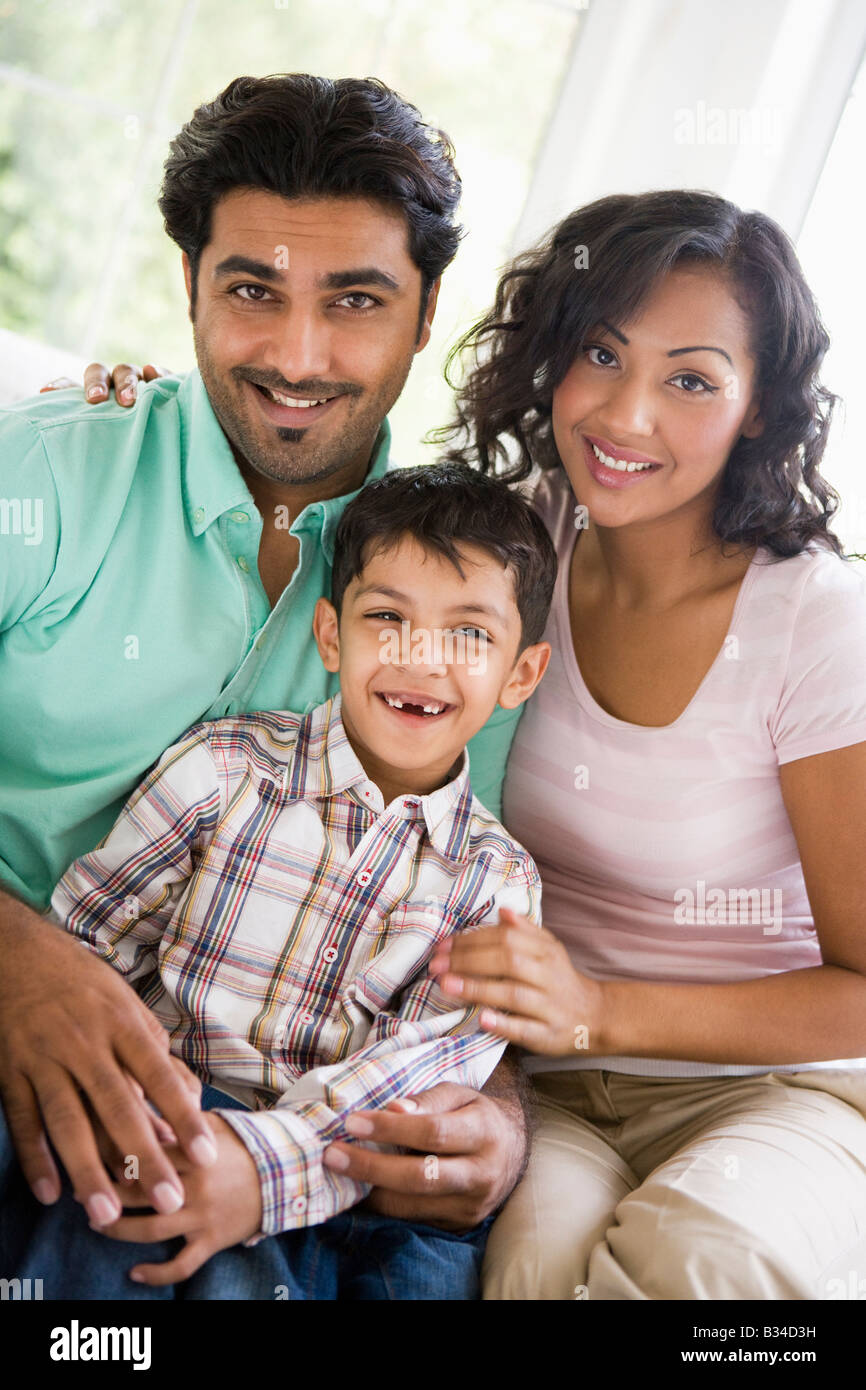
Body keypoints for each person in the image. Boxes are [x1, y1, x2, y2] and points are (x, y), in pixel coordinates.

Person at [0, 73, 534, 1292]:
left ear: (424, 310)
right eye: (251, 291)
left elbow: (463, 913)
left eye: (354, 301)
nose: (297, 358)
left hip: (262, 1127)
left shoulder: (465, 599)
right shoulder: (35, 479)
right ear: (188, 283)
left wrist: (498, 1128)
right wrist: (12, 959)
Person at [419, 188, 866, 1299]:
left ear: (758, 408)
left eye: (690, 379)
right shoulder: (510, 551)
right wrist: (129, 397)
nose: (624, 418)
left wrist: (600, 1005)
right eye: (601, 355)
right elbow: (346, 537)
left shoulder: (813, 623)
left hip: (782, 1087)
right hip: (555, 1085)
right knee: (528, 1273)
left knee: (692, 1263)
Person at [4, 464, 553, 1299]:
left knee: (428, 1273)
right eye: (387, 618)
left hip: (353, 1172)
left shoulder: (497, 884)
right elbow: (86, 955)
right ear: (330, 635)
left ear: (521, 673)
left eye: (470, 634)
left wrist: (261, 1173)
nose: (421, 659)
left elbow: (422, 1075)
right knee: (93, 1224)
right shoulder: (221, 771)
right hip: (172, 1114)